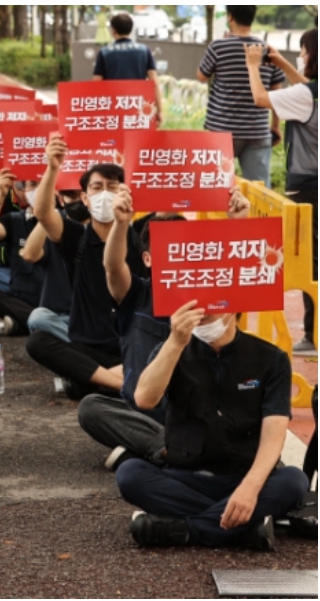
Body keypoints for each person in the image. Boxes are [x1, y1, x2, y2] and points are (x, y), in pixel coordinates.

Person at [78, 190, 250, 471]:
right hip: (143, 413)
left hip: (198, 416)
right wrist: (121, 224)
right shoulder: (136, 294)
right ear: (147, 258)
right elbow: (111, 267)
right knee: (92, 408)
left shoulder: (213, 300)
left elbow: (241, 271)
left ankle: (153, 451)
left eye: (185, 246)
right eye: (168, 247)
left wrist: (238, 223)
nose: (177, 254)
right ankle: (170, 451)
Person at [115, 301, 310, 549]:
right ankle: (243, 528)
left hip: (244, 477)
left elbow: (274, 434)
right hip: (186, 478)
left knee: (293, 481)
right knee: (130, 474)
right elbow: (144, 398)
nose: (201, 313)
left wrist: (249, 489)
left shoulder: (271, 358)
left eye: (211, 304)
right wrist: (175, 342)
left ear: (234, 305)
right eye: (193, 304)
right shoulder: (173, 349)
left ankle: (186, 530)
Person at [26, 135, 145, 400]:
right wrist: (52, 167)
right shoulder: (76, 237)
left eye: (112, 187)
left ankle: (97, 380)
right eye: (96, 187)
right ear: (85, 198)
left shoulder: (139, 237)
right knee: (38, 341)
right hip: (87, 345)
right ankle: (123, 384)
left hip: (133, 343)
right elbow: (44, 213)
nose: (105, 194)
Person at [244, 30, 317, 354]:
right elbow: (305, 86)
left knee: (311, 261)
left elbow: (260, 99)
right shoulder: (311, 92)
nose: (301, 57)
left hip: (308, 183)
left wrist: (253, 65)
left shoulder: (305, 95)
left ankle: (312, 336)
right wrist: (284, 62)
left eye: (303, 52)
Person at [197, 5, 284, 186]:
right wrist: (275, 125)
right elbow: (277, 93)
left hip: (221, 130)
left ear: (230, 17)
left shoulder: (218, 47)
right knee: (260, 189)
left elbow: (201, 76)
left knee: (216, 185)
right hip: (257, 130)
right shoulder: (267, 50)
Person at [0, 167, 44, 336]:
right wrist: (1, 195)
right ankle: (38, 324)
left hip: (52, 296)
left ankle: (28, 323)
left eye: (43, 184)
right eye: (32, 185)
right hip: (22, 291)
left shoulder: (63, 220)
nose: (38, 190)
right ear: (23, 191)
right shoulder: (15, 220)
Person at [93, 12, 162, 126]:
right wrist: (159, 110)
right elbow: (154, 83)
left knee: (114, 141)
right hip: (138, 106)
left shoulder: (104, 52)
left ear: (113, 30)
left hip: (112, 108)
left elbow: (96, 85)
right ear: (131, 29)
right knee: (137, 141)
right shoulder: (144, 51)